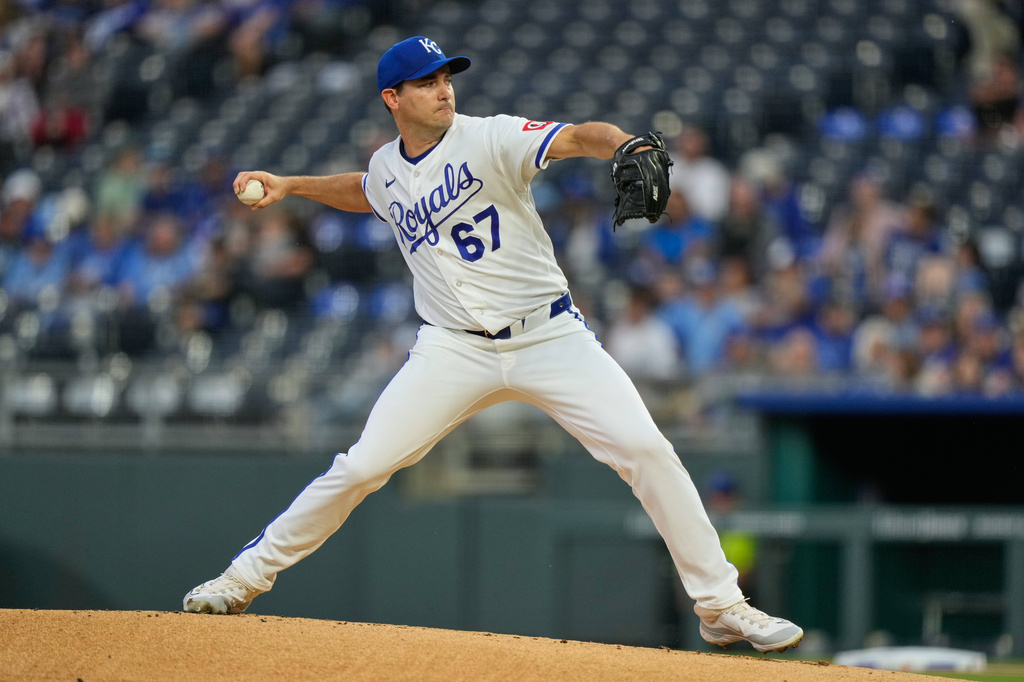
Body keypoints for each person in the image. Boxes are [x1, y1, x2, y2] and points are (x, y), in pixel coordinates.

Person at [181, 36, 804, 654]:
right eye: (426, 82)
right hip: (453, 349)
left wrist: (626, 143)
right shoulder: (385, 168)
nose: (444, 88)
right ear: (392, 98)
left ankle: (722, 606)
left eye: (446, 76)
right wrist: (291, 185)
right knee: (362, 467)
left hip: (549, 333)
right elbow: (367, 190)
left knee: (646, 448)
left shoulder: (491, 136)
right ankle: (241, 579)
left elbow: (578, 136)